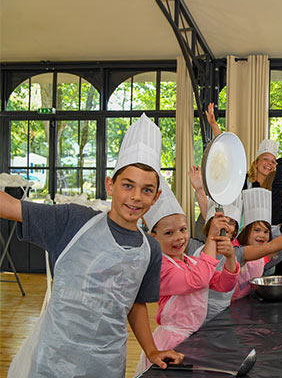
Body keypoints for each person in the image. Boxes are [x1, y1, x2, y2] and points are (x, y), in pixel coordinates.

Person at [4, 114, 184, 377]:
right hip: (54, 361)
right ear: (110, 185)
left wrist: (151, 350)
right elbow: (9, 207)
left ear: (156, 196)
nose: (135, 197)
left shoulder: (150, 250)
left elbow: (135, 305)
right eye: (127, 185)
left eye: (146, 190)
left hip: (106, 364)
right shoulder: (72, 221)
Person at [134, 182, 239, 375]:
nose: (179, 238)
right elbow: (196, 281)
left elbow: (225, 284)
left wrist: (231, 258)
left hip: (193, 339)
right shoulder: (160, 267)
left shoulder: (191, 262)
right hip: (170, 342)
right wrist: (211, 240)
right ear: (153, 237)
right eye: (169, 233)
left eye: (183, 230)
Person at [204, 102, 282, 225]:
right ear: (256, 163)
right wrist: (214, 124)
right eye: (265, 159)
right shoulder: (243, 181)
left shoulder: (276, 187)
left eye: (273, 162)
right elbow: (228, 159)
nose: (270, 164)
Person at [187, 194, 244, 324]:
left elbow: (272, 246)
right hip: (190, 320)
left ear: (235, 230)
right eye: (220, 221)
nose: (224, 226)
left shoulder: (238, 253)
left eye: (230, 222)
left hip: (221, 322)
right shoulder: (193, 247)